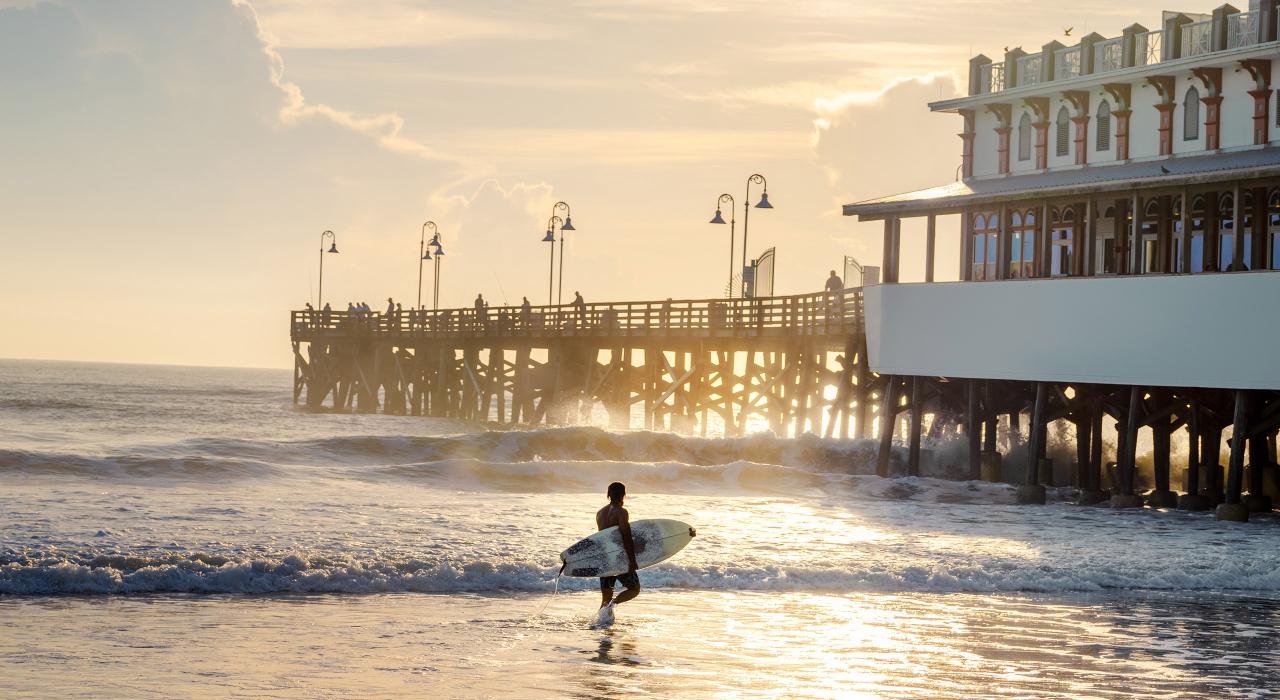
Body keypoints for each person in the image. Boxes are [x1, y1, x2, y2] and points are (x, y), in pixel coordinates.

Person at [596, 481, 639, 611]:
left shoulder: (600, 513)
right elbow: (626, 537)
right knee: (634, 589)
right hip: (618, 559)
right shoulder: (621, 512)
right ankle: (613, 604)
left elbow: (603, 538)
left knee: (605, 598)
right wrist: (632, 561)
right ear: (623, 495)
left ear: (608, 494)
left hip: (605, 558)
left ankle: (603, 620)